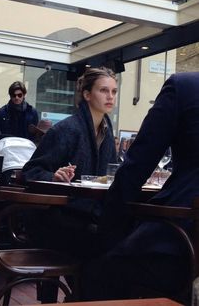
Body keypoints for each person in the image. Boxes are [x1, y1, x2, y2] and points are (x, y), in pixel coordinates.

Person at [81, 72, 199, 303]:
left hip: (184, 243)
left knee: (98, 269)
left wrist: (107, 226)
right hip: (186, 231)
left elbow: (138, 164)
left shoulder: (185, 87)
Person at [22, 66, 117, 253]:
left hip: (88, 216)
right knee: (113, 243)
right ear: (87, 94)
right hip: (59, 220)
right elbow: (30, 172)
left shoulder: (107, 130)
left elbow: (108, 175)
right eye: (103, 90)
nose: (110, 97)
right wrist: (54, 176)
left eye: (114, 91)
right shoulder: (66, 130)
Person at [0, 81, 39, 145]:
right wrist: (2, 147)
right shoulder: (1, 112)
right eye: (14, 95)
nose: (16, 98)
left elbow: (37, 135)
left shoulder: (32, 112)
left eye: (19, 95)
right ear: (10, 96)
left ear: (24, 95)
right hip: (7, 149)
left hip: (26, 150)